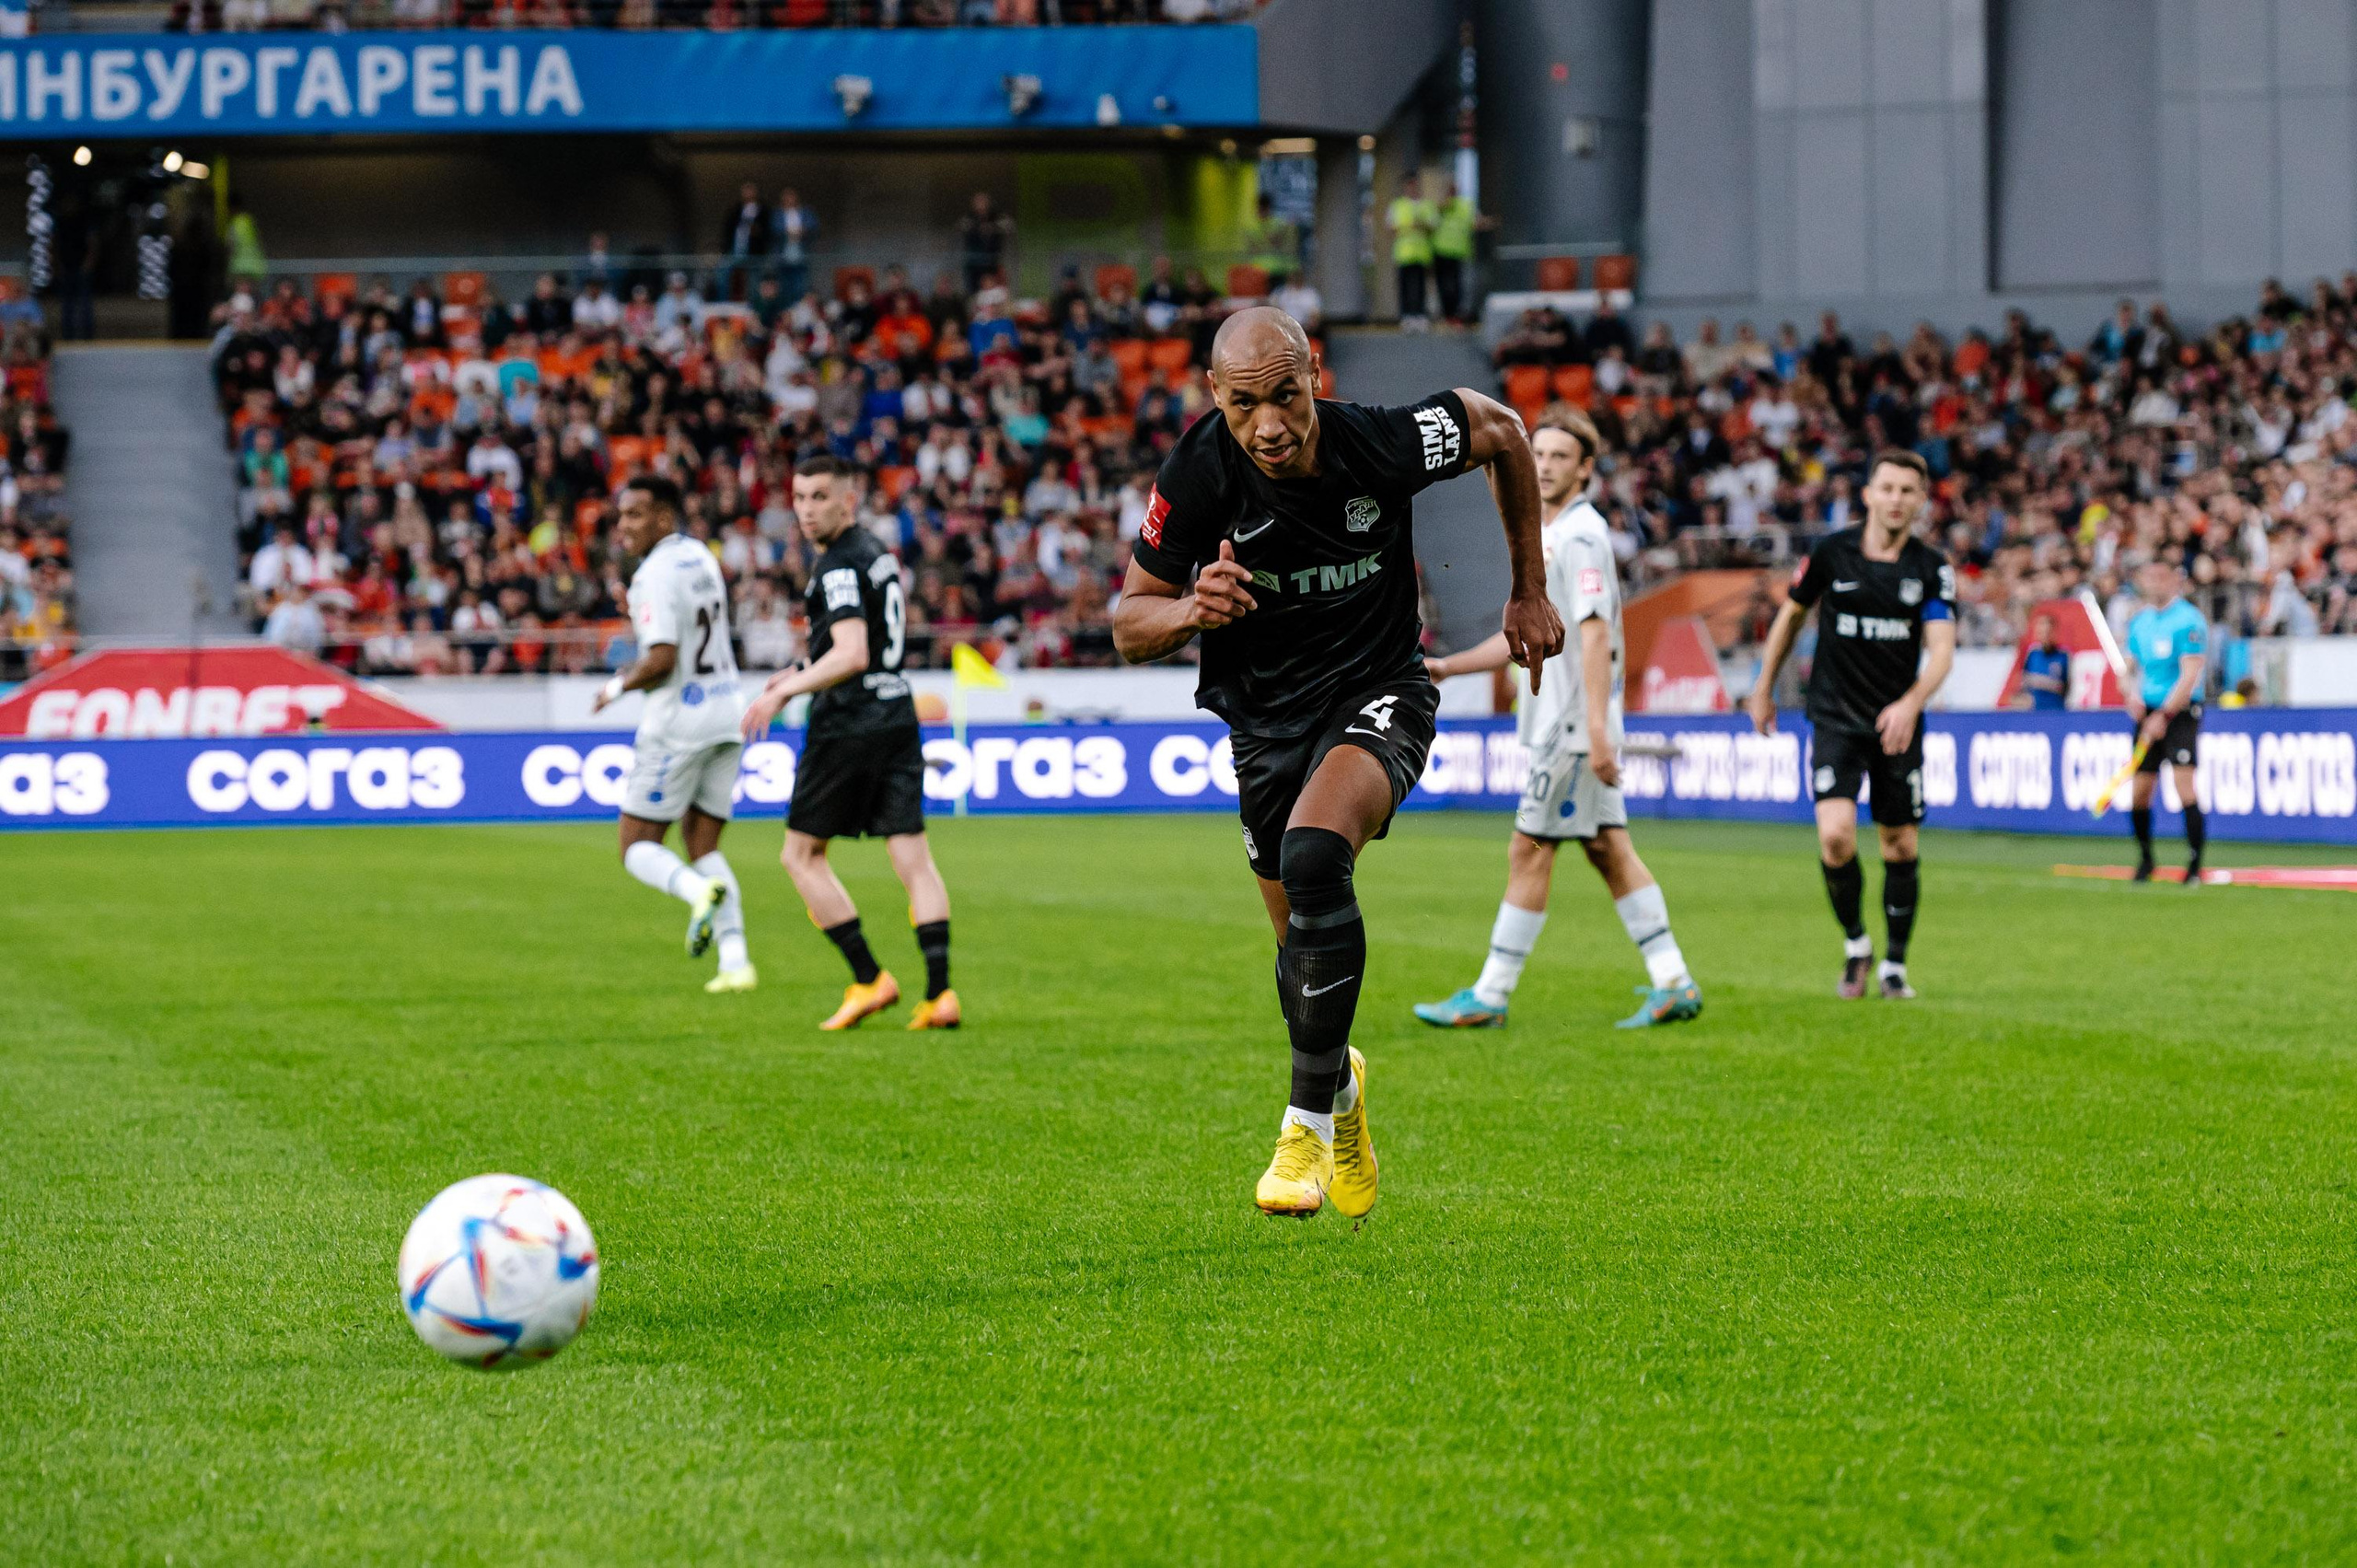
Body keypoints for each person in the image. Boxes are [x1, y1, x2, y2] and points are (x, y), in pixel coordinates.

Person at [1112, 305, 1562, 1221]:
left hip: (1379, 687)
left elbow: (1505, 431)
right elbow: (1129, 622)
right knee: (1297, 959)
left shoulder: (1382, 443)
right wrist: (1193, 609)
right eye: (1245, 404)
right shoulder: (1199, 469)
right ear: (1214, 394)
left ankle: (1305, 1124)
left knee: (1318, 854)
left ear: (1313, 374)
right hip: (1264, 722)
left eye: (1285, 395)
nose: (1268, 423)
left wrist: (1527, 587)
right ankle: (1346, 1092)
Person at [1414, 410, 1701, 1030]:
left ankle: (1491, 993)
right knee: (1608, 850)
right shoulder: (1547, 534)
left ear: (1585, 469)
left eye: (1559, 456)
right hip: (1568, 722)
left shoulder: (1580, 537)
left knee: (1529, 848)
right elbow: (1531, 635)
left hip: (1571, 727)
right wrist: (1451, 667)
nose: (1544, 465)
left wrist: (1597, 728)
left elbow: (1594, 634)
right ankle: (1674, 980)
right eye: (1537, 454)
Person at [739, 455, 958, 1032]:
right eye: (800, 497)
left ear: (848, 501)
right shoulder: (875, 553)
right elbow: (861, 642)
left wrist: (785, 692)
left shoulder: (836, 564)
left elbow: (851, 653)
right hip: (896, 710)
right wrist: (799, 666)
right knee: (913, 858)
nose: (807, 510)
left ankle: (869, 978)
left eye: (819, 497)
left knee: (800, 854)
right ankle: (940, 994)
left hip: (848, 719)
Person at [1748, 450, 1956, 1000]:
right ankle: (1856, 944)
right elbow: (1791, 615)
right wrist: (1764, 685)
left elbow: (1941, 651)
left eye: (1907, 491)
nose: (1895, 499)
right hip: (1836, 717)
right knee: (1836, 838)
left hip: (1897, 724)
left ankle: (1895, 964)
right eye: (1886, 487)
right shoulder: (1832, 553)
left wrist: (1911, 703)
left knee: (1899, 844)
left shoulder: (1931, 568)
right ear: (1867, 494)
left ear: (1920, 500)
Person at [592, 474, 756, 995]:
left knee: (636, 847)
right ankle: (735, 961)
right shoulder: (699, 556)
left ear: (664, 517)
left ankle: (695, 892)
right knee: (702, 841)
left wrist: (615, 687)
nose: (623, 527)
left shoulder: (653, 574)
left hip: (679, 722)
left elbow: (661, 660)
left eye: (635, 515)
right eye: (621, 516)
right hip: (727, 711)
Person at [2123, 557, 2208, 883]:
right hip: (2148, 712)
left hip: (2180, 713)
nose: (2155, 582)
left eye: (2162, 576)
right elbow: (2128, 668)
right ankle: (2146, 860)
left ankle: (2194, 866)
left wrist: (2165, 715)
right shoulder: (2140, 622)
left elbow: (2189, 676)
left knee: (2183, 785)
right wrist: (2130, 694)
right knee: (2140, 791)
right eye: (2150, 576)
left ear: (2174, 580)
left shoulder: (2188, 620)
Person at [1430, 178, 1486, 327]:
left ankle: (1456, 314)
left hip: (1459, 251)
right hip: (1441, 250)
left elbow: (1477, 222)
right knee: (1444, 285)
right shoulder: (1439, 206)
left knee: (1457, 285)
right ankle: (1446, 314)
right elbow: (1429, 223)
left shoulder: (1466, 205)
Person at [1386, 174, 1436, 332]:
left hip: (1421, 253)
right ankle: (1407, 316)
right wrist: (1408, 226)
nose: (1412, 189)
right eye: (1410, 186)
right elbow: (1390, 227)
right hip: (1404, 253)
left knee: (1420, 286)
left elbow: (1434, 226)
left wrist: (1421, 224)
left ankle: (1420, 316)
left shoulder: (1427, 205)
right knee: (1405, 286)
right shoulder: (1398, 205)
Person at [2018, 610, 2069, 711]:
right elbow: (2024, 681)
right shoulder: (2032, 654)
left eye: (2047, 632)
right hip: (2035, 712)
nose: (2044, 636)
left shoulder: (2063, 656)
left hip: (2056, 711)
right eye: (2041, 632)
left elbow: (2068, 687)